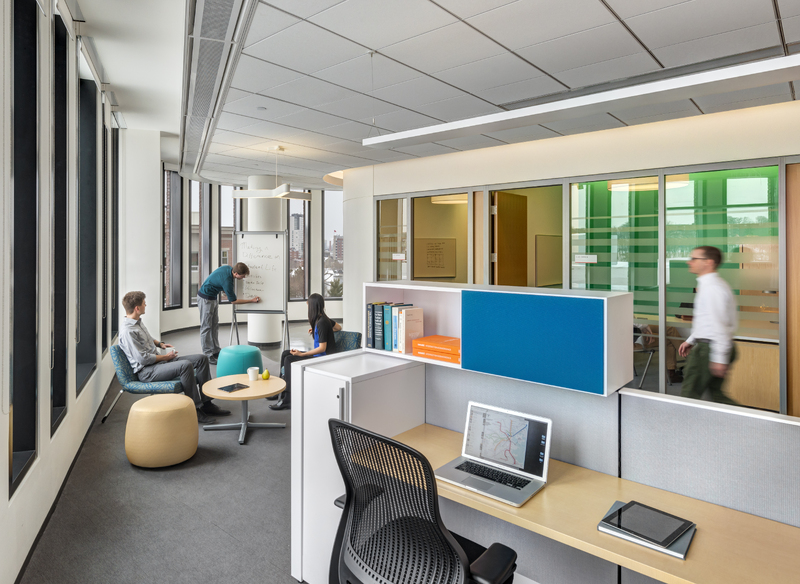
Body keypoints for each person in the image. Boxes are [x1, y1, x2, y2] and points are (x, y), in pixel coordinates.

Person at [118, 291, 231, 424]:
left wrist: (160, 344)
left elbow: (147, 338)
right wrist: (165, 358)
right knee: (185, 365)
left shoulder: (137, 322)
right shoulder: (128, 331)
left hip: (158, 364)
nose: (146, 305)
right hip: (147, 371)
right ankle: (195, 409)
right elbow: (143, 359)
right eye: (144, 303)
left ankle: (207, 404)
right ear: (137, 308)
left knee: (201, 359)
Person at [678, 246, 739, 405]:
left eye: (694, 259)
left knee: (688, 396)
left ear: (708, 262)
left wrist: (719, 357)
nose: (689, 262)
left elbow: (720, 325)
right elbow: (707, 320)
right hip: (710, 346)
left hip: (710, 349)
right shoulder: (711, 285)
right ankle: (745, 420)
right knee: (717, 397)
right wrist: (691, 340)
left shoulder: (713, 288)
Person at [269, 293, 341, 411]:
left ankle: (288, 400)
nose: (307, 308)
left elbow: (322, 348)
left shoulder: (322, 322)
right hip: (319, 355)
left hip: (323, 358)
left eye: (308, 305)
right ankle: (281, 391)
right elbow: (338, 327)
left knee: (289, 359)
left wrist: (302, 354)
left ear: (312, 307)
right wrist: (318, 331)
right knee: (285, 353)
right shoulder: (322, 319)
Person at [197, 262, 259, 363]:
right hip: (205, 298)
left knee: (214, 325)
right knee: (206, 327)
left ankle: (215, 350)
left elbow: (217, 279)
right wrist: (251, 300)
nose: (243, 278)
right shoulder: (227, 281)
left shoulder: (228, 268)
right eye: (242, 276)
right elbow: (233, 301)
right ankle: (208, 355)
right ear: (236, 274)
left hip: (213, 297)